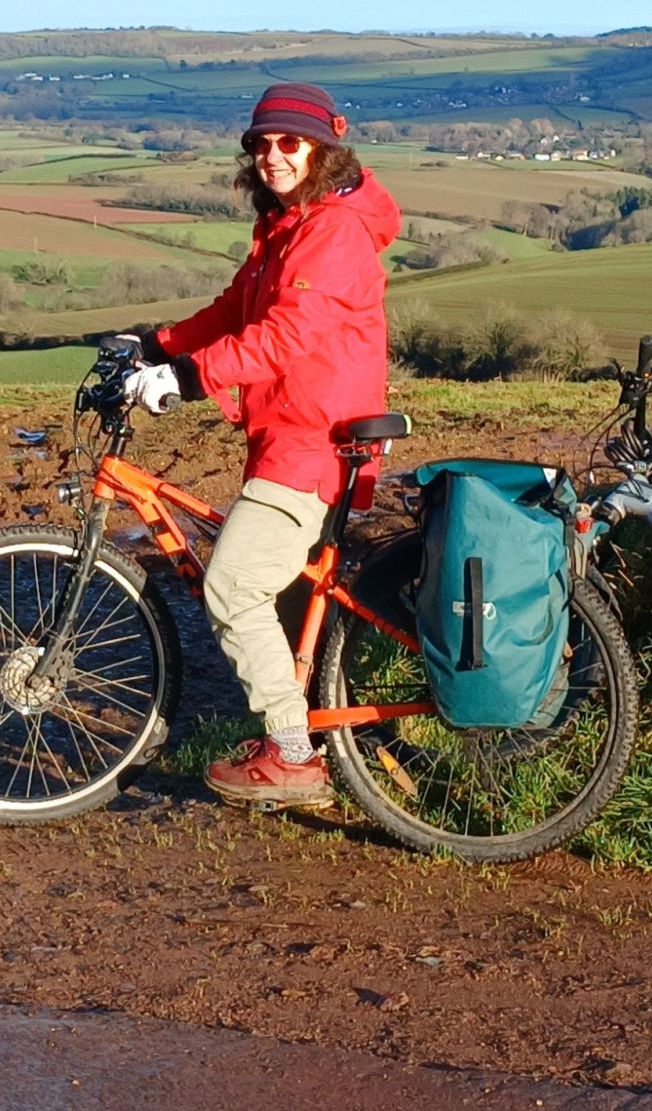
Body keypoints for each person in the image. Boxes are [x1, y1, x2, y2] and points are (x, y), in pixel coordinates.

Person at [123, 82, 401, 809]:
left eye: (290, 142)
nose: (272, 155)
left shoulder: (331, 234)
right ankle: (312, 729)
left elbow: (285, 337)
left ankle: (291, 754)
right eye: (260, 143)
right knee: (279, 596)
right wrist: (157, 342)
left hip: (314, 445)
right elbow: (234, 311)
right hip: (290, 435)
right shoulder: (289, 226)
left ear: (323, 149)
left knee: (232, 585)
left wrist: (185, 378)